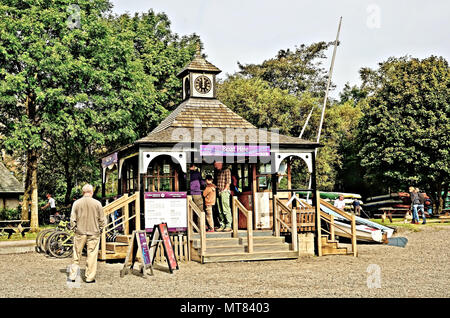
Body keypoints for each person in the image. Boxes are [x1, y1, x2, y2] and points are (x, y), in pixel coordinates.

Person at [69, 184, 106, 283]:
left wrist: (74, 228)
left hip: (80, 232)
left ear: (83, 192)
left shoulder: (76, 203)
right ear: (92, 192)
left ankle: (73, 276)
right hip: (94, 232)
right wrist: (101, 229)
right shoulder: (97, 203)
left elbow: (72, 219)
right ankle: (89, 277)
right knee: (92, 255)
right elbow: (102, 219)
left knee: (76, 254)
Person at [214, 161, 232, 232]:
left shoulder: (226, 170)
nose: (215, 166)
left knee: (225, 209)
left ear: (220, 163)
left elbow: (228, 182)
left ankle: (228, 225)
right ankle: (222, 224)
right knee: (220, 210)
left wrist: (224, 190)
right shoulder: (218, 172)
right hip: (218, 191)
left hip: (224, 192)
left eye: (216, 165)